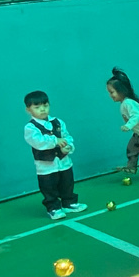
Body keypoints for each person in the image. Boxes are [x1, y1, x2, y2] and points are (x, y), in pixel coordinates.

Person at [23, 91, 87, 220]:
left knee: (67, 183)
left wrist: (68, 146)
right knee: (49, 187)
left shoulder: (58, 122)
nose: (42, 109)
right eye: (37, 107)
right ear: (28, 110)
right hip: (46, 166)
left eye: (45, 105)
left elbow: (67, 136)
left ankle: (69, 203)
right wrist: (55, 141)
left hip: (63, 163)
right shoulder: (30, 128)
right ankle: (53, 208)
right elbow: (38, 142)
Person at [107, 67, 139, 174]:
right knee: (131, 149)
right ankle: (131, 167)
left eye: (112, 92)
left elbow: (136, 116)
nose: (110, 95)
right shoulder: (125, 103)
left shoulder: (128, 103)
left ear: (121, 91)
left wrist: (128, 126)